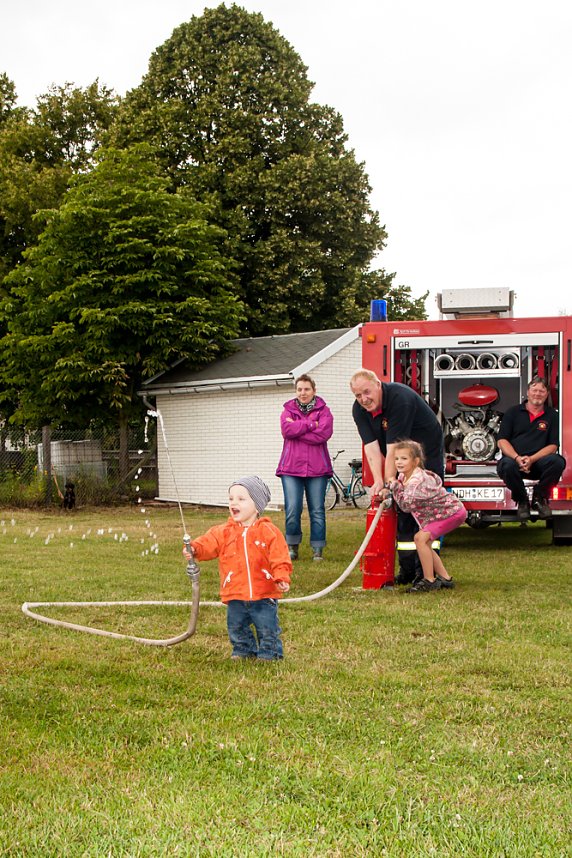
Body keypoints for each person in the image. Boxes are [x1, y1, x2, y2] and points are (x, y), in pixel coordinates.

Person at [350, 369, 445, 584]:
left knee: (424, 513)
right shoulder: (359, 410)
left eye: (367, 392)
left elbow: (393, 448)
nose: (364, 399)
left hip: (424, 456)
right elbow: (372, 448)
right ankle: (407, 570)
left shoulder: (399, 399)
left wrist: (388, 483)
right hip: (401, 458)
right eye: (358, 395)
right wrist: (378, 481)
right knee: (402, 511)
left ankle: (427, 572)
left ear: (378, 385)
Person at [183, 476, 292, 661]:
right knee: (236, 625)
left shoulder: (269, 531)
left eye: (241, 499)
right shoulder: (224, 531)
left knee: (267, 626)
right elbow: (208, 543)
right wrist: (195, 549)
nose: (234, 503)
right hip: (234, 591)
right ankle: (243, 650)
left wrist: (281, 576)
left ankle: (270, 653)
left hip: (264, 593)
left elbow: (280, 557)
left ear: (257, 506)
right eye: (231, 498)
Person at [384, 440, 466, 592]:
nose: (399, 462)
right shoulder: (403, 476)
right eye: (396, 458)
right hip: (440, 515)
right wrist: (392, 486)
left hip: (451, 513)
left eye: (404, 458)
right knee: (424, 541)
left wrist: (394, 486)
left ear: (416, 461)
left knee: (420, 539)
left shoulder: (417, 481)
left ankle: (429, 580)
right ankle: (445, 578)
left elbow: (406, 505)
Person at [276, 374, 333, 561]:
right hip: (291, 469)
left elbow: (322, 435)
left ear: (314, 391)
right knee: (293, 509)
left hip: (317, 469)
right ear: (296, 391)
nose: (303, 393)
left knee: (317, 510)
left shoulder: (324, 411)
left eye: (307, 389)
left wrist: (298, 429)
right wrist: (311, 424)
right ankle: (292, 547)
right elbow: (287, 431)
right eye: (299, 389)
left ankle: (318, 549)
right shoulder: (287, 410)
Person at [496, 376, 566, 521]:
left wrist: (532, 459)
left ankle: (539, 497)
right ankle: (522, 501)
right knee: (506, 465)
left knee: (558, 462)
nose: (537, 394)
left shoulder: (552, 416)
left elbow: (553, 446)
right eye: (534, 390)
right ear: (527, 392)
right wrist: (517, 458)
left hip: (538, 462)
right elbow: (502, 441)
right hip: (515, 462)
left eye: (542, 391)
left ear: (547, 394)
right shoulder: (512, 412)